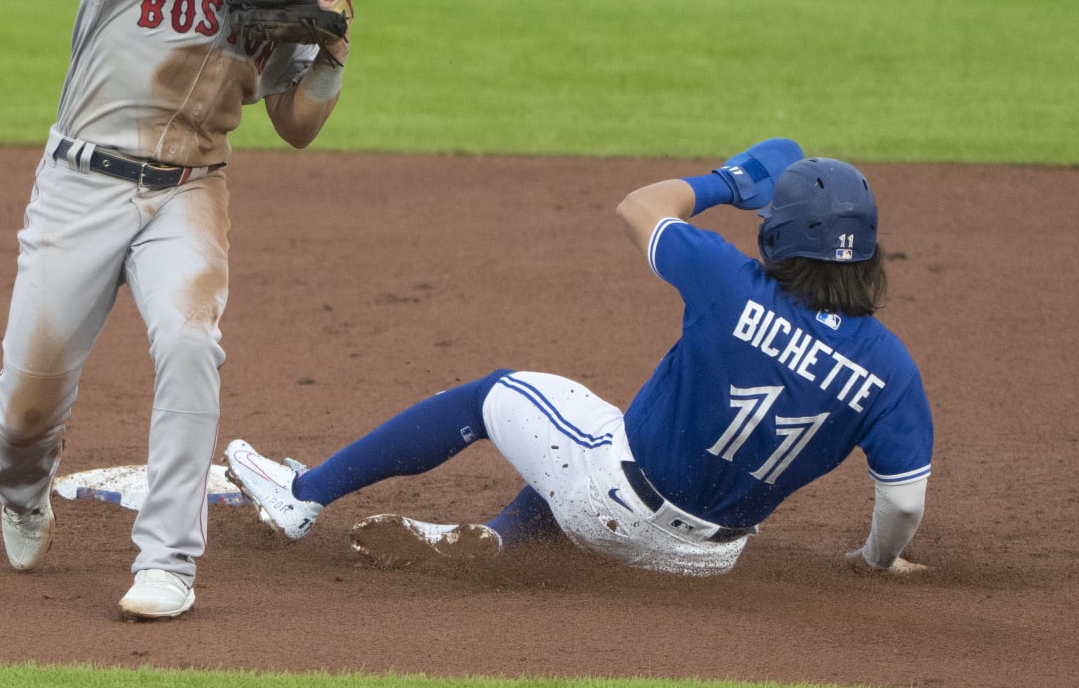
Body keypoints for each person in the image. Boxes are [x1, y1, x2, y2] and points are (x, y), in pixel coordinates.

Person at [225, 141, 933, 578]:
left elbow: (639, 206)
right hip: (707, 562)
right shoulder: (893, 369)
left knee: (503, 398)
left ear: (775, 240)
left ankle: (302, 495)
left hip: (611, 501)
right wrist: (875, 561)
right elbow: (902, 499)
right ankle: (502, 541)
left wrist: (729, 179)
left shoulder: (727, 279)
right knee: (584, 440)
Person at [0, 0, 354, 620]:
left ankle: (169, 563)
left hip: (191, 191)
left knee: (191, 344)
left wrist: (330, 52)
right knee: (25, 405)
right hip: (81, 188)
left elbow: (294, 125)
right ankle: (20, 489)